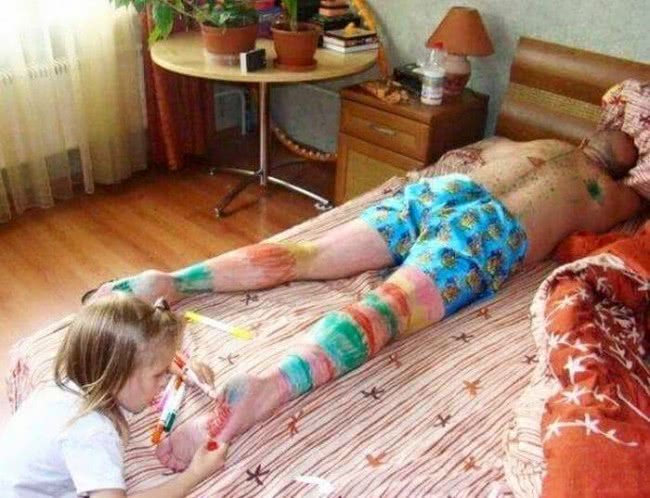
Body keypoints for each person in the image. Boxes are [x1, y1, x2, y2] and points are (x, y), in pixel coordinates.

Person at [87, 130, 644, 471]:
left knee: (312, 260)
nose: (618, 132)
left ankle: (174, 283)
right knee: (381, 304)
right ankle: (263, 380)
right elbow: (632, 204)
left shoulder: (532, 146)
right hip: (485, 230)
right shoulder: (602, 190)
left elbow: (480, 148)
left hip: (447, 197)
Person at [0, 294, 228, 497]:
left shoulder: (67, 384)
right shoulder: (93, 432)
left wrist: (169, 364)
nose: (163, 383)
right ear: (118, 373)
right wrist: (194, 474)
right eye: (158, 375)